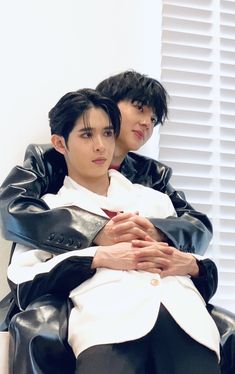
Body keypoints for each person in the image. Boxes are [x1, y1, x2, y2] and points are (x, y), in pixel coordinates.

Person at [7, 88, 221, 374]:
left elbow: (196, 241)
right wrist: (98, 256)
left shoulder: (156, 199)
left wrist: (193, 264)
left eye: (107, 134)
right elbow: (24, 279)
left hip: (189, 325)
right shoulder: (50, 209)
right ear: (60, 144)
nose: (101, 146)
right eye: (87, 135)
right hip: (109, 330)